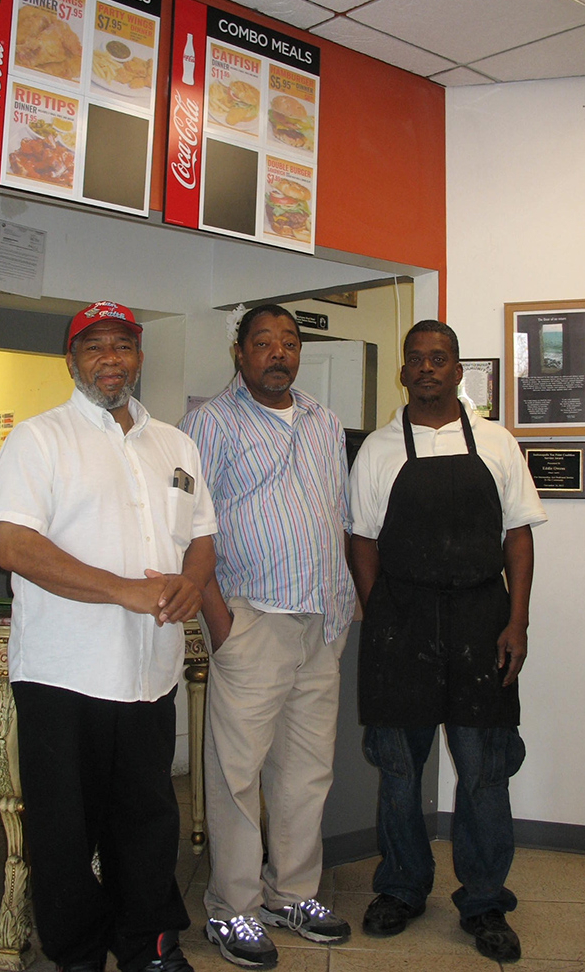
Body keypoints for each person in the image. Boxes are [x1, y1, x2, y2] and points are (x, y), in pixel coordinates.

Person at [0, 300, 217, 972]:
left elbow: (202, 536)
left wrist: (192, 584)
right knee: (63, 829)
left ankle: (149, 944)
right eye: (96, 347)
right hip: (65, 673)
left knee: (148, 819)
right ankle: (78, 953)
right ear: (72, 359)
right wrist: (127, 589)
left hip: (149, 669)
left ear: (139, 356)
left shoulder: (175, 443)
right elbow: (17, 548)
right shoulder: (39, 438)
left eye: (123, 345)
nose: (111, 358)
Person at [349, 320, 546, 964]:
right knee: (399, 771)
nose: (428, 368)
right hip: (400, 623)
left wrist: (515, 622)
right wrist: (383, 610)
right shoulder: (378, 449)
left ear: (459, 371)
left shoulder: (496, 442)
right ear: (403, 372)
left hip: (480, 623)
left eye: (441, 359)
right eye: (417, 359)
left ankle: (485, 899)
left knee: (485, 772)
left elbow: (519, 535)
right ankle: (402, 888)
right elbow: (363, 541)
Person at [180, 304, 356, 969]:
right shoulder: (208, 423)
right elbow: (189, 528)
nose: (278, 353)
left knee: (306, 771)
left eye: (289, 342)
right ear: (239, 351)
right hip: (252, 620)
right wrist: (222, 624)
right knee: (236, 774)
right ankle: (232, 905)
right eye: (264, 342)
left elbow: (333, 512)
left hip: (319, 621)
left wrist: (340, 605)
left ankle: (293, 891)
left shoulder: (323, 419)